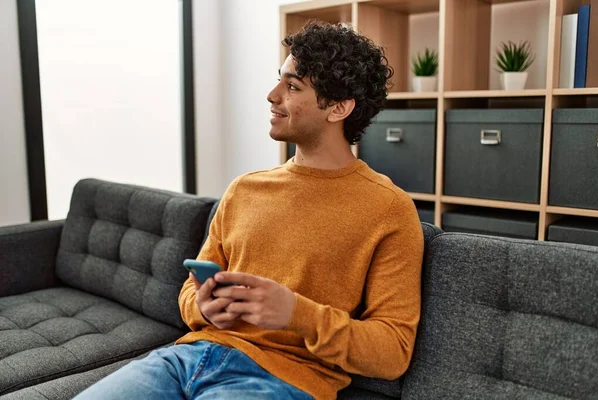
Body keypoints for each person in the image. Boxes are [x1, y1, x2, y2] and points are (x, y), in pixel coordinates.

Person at [74, 21, 424, 400]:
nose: (272, 95)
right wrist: (205, 308)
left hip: (280, 380)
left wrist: (296, 313)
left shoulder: (389, 209)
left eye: (292, 87)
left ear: (338, 108)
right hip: (186, 359)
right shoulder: (245, 189)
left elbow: (392, 352)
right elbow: (191, 293)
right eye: (280, 80)